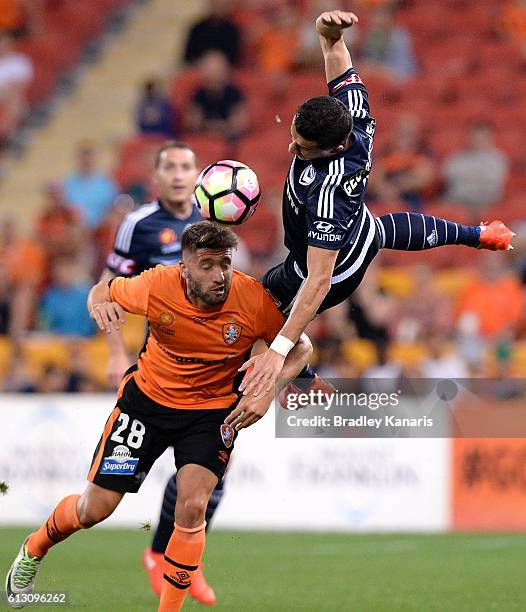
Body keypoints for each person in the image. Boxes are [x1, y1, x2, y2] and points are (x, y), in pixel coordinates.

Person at [5, 221, 312, 612]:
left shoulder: (252, 298)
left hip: (210, 412)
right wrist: (101, 309)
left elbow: (300, 348)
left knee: (193, 506)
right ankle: (34, 547)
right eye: (207, 265)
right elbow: (103, 288)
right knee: (94, 509)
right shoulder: (154, 285)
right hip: (146, 404)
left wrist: (270, 385)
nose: (220, 276)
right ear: (184, 268)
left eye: (226, 264)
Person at [240, 9, 516, 398]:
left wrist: (279, 350)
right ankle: (477, 234)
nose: (291, 148)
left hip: (332, 269)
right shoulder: (352, 112)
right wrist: (329, 34)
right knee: (380, 229)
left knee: (253, 320)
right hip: (359, 226)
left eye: (302, 148)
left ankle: (298, 377)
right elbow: (337, 57)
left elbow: (317, 281)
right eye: (293, 136)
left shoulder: (328, 192)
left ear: (334, 149)